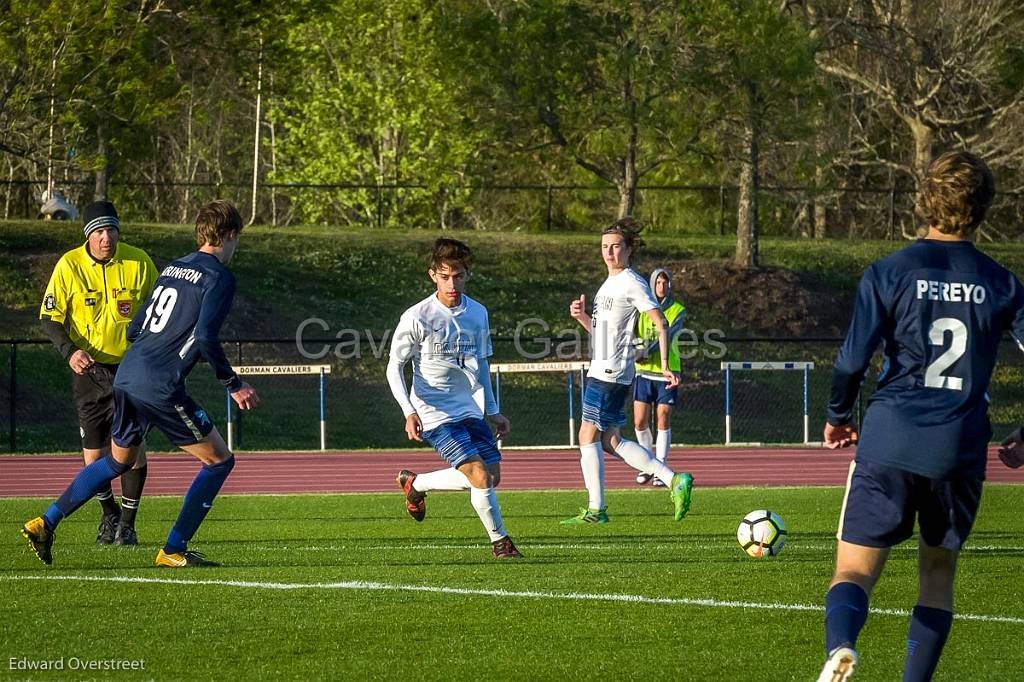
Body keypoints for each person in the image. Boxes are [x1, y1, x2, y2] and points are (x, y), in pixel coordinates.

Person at [817, 151, 1024, 682]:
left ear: (924, 200)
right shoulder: (1002, 284)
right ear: (982, 208)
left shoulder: (889, 273)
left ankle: (841, 646)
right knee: (937, 573)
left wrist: (840, 414)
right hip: (958, 445)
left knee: (854, 570)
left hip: (891, 437)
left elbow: (852, 360)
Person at [22, 199, 259, 568]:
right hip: (159, 384)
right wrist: (234, 383)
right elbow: (207, 336)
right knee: (219, 462)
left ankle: (45, 522)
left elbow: (135, 328)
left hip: (129, 375)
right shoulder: (219, 277)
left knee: (118, 461)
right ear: (229, 235)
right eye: (236, 240)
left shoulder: (173, 269)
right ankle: (173, 548)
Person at [386, 237, 522, 560]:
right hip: (433, 411)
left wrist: (494, 410)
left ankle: (416, 485)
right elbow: (394, 366)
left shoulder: (478, 314)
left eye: (458, 275)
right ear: (433, 274)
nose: (452, 283)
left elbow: (482, 364)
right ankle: (501, 542)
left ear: (467, 275)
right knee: (478, 475)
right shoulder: (417, 316)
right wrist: (408, 410)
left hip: (469, 409)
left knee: (491, 477)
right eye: (445, 276)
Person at [39, 200, 157, 546]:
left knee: (134, 448)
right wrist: (70, 350)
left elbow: (158, 311)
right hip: (89, 370)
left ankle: (129, 524)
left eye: (112, 229)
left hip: (131, 369)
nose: (107, 237)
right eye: (99, 231)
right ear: (88, 235)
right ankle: (109, 516)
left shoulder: (139, 262)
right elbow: (49, 317)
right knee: (94, 454)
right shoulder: (69, 265)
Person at [561, 218, 693, 524]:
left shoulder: (633, 281)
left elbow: (661, 322)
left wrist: (663, 365)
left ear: (629, 249)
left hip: (609, 370)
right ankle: (673, 479)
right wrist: (582, 318)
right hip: (606, 367)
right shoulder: (609, 283)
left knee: (586, 435)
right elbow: (603, 332)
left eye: (616, 246)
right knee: (610, 440)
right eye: (605, 246)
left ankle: (596, 510)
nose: (609, 252)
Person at [632, 268, 686, 486]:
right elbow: (632, 333)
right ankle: (647, 464)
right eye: (658, 283)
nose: (661, 287)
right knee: (639, 421)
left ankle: (660, 468)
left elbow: (669, 333)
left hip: (667, 372)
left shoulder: (677, 310)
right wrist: (636, 349)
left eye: (665, 283)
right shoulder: (642, 309)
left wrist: (646, 351)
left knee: (663, 416)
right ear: (652, 285)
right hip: (642, 372)